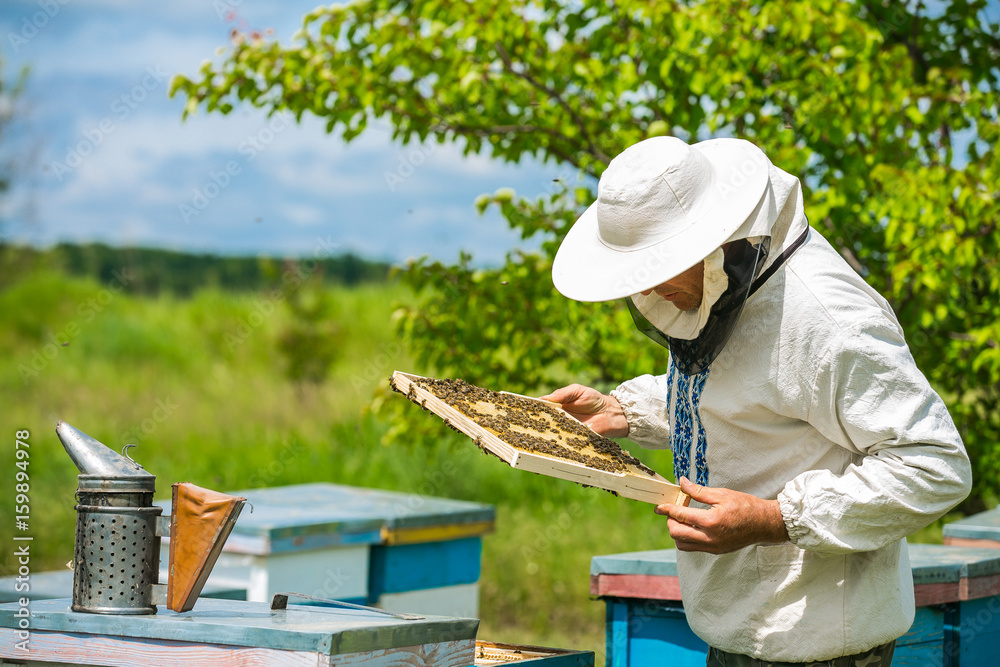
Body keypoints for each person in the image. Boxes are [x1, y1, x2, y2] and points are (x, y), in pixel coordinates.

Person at [541, 136, 972, 665]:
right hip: (736, 632)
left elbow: (935, 465)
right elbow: (748, 396)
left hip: (821, 647)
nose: (647, 293)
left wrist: (774, 519)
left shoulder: (829, 319)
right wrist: (623, 410)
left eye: (656, 268)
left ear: (712, 241)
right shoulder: (725, 285)